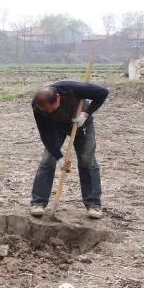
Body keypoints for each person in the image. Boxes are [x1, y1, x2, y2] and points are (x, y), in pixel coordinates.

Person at [29, 81, 109, 219]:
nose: (48, 111)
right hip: (55, 127)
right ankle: (38, 202)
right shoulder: (37, 106)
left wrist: (86, 114)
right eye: (46, 110)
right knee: (49, 159)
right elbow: (45, 134)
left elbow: (103, 92)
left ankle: (93, 204)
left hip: (80, 123)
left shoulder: (73, 89)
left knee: (86, 159)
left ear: (58, 97)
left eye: (51, 108)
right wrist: (59, 157)